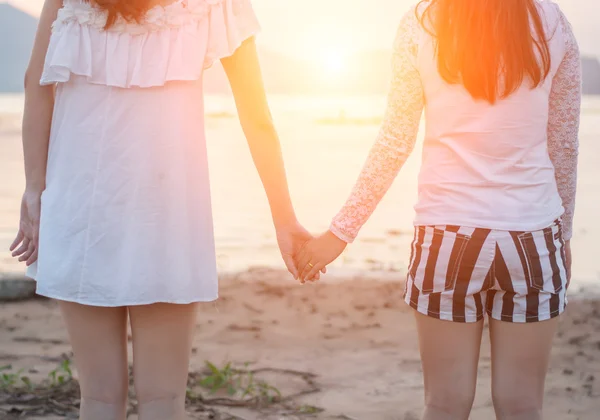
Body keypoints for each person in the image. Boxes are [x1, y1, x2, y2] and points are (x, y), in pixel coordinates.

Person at [10, 0, 320, 419]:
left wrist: (34, 191)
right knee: (163, 400)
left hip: (80, 206)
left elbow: (36, 83)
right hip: (169, 214)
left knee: (98, 398)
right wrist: (284, 218)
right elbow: (256, 114)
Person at [295, 1, 581, 419]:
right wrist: (564, 235)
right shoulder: (553, 22)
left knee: (444, 405)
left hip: (446, 239)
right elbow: (564, 143)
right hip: (533, 236)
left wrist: (339, 234)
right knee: (522, 406)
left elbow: (395, 141)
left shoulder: (422, 22)